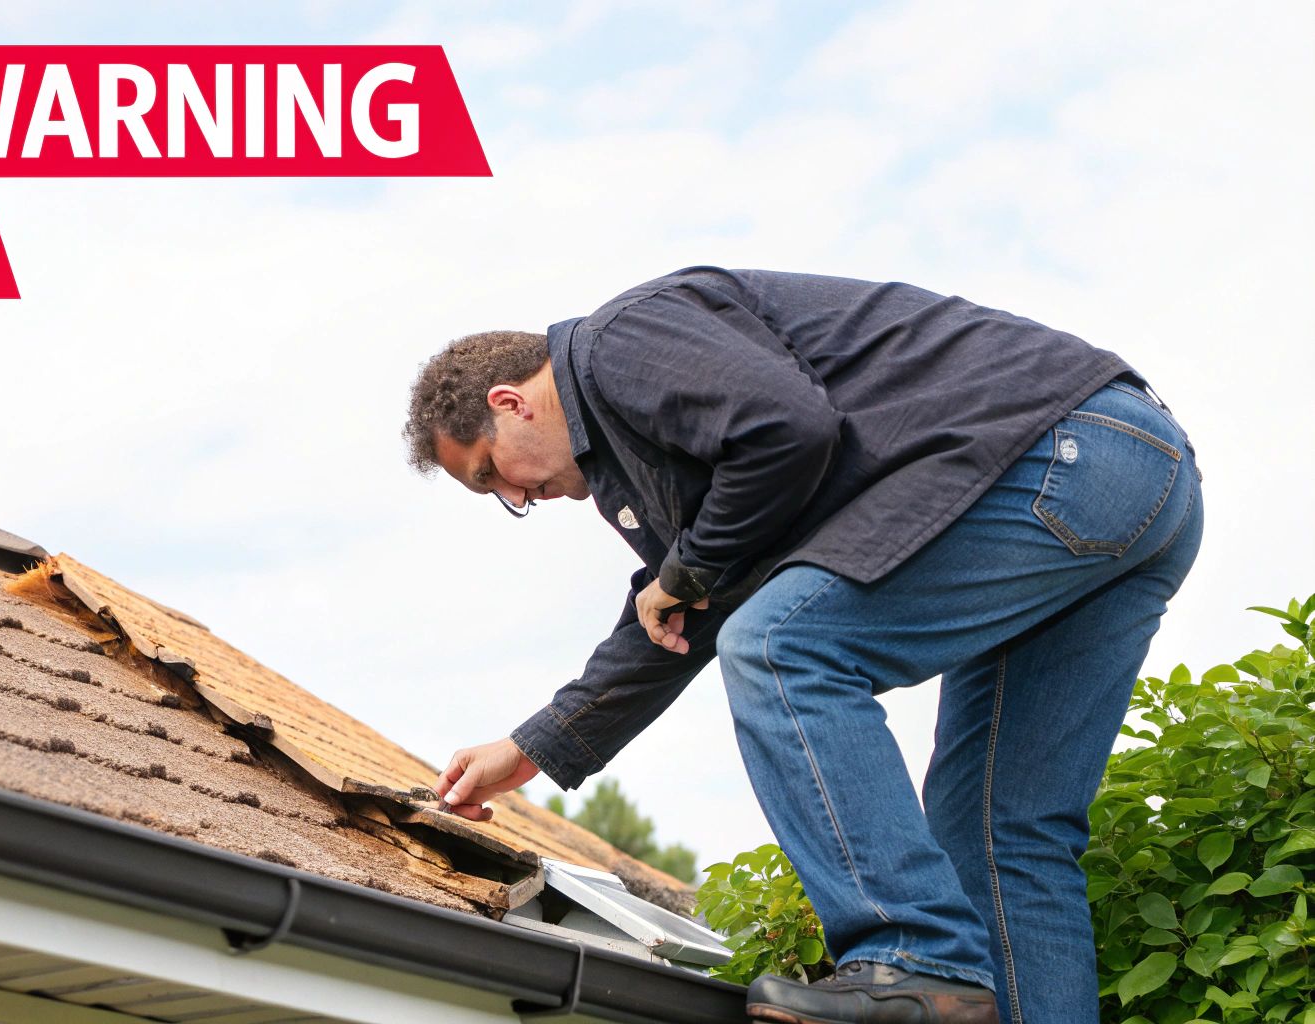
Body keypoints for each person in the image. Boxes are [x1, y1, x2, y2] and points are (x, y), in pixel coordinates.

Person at [402, 266, 1204, 1024]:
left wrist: (688, 569)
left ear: (511, 402)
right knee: (999, 834)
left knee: (781, 644)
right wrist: (530, 748)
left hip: (1059, 453)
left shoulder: (618, 344)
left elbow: (785, 429)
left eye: (488, 476)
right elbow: (681, 614)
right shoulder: (643, 467)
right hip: (1133, 483)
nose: (515, 497)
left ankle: (912, 955)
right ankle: (942, 976)